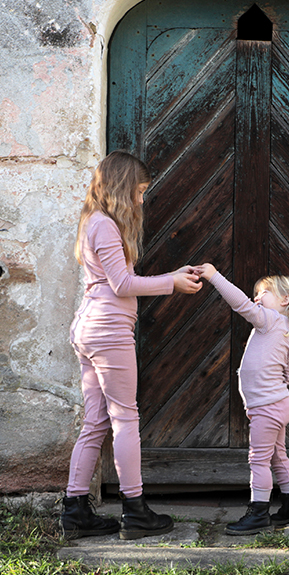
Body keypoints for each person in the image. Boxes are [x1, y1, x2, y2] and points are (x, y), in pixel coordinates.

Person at [61, 150, 202, 540]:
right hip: (107, 330)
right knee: (125, 418)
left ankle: (74, 512)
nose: (141, 200)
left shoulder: (92, 220)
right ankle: (135, 511)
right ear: (122, 187)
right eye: (139, 191)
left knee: (96, 421)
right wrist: (170, 281)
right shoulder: (104, 225)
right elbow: (122, 284)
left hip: (89, 328)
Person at [196, 263, 289, 534]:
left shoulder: (268, 321)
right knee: (278, 455)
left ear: (285, 300)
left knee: (258, 459)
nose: (257, 298)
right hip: (280, 403)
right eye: (256, 293)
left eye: (264, 293)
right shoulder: (288, 331)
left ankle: (258, 512)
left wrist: (214, 276)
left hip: (266, 406)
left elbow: (241, 304)